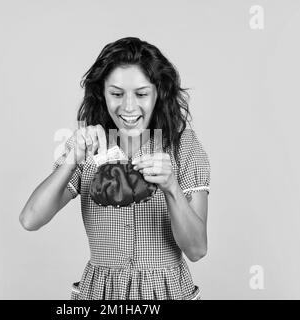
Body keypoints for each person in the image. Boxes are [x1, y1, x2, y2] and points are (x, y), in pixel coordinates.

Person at [19, 37, 211, 300]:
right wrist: (72, 159)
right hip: (102, 293)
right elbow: (30, 219)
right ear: (102, 93)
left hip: (167, 292)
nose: (129, 107)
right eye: (117, 93)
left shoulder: (182, 145)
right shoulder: (89, 146)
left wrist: (172, 188)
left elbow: (197, 250)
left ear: (158, 93)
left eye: (141, 94)